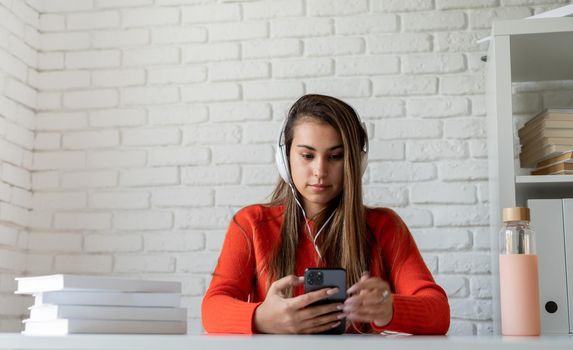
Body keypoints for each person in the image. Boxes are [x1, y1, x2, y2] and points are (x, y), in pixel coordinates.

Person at [201, 94, 450, 334]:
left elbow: (438, 312)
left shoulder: (385, 226)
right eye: (307, 156)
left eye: (335, 156)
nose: (320, 171)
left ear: (356, 162)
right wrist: (261, 318)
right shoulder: (251, 223)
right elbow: (212, 308)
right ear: (284, 158)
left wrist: (389, 309)